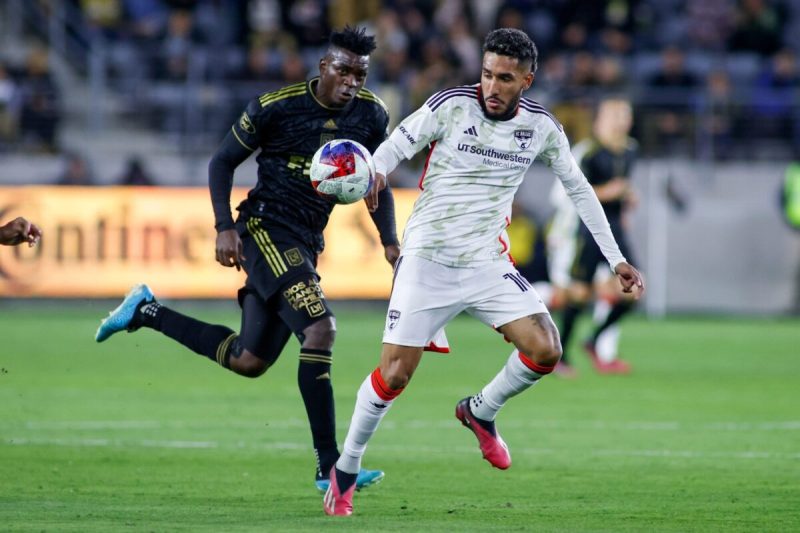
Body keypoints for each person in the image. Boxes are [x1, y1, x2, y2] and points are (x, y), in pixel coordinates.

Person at [323, 28, 644, 516]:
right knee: (395, 373)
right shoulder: (450, 105)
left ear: (527, 81)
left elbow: (580, 191)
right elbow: (393, 148)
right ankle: (345, 469)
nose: (492, 86)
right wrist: (373, 172)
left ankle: (480, 411)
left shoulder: (541, 128)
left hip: (486, 263)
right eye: (488, 74)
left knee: (546, 348)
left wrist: (616, 258)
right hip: (427, 259)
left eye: (505, 79)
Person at [94, 26, 398, 493]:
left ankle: (145, 311)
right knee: (320, 328)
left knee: (248, 360)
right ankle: (331, 469)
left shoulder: (371, 114)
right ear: (323, 66)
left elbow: (377, 182)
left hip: (306, 241)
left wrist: (390, 241)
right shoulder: (275, 107)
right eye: (343, 70)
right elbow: (221, 162)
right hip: (264, 228)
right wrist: (224, 226)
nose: (351, 82)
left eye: (360, 74)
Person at [557, 96, 640, 375]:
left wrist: (628, 200)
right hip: (589, 230)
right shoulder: (588, 153)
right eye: (614, 116)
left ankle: (594, 340)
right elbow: (573, 193)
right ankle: (560, 355)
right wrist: (607, 192)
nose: (620, 122)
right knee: (579, 294)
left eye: (624, 116)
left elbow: (623, 187)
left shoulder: (630, 150)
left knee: (634, 289)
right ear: (600, 121)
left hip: (616, 230)